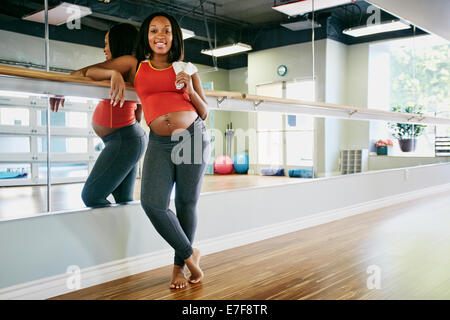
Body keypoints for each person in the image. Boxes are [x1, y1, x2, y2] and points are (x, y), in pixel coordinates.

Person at [81, 12, 210, 289]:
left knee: (185, 203)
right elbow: (88, 71)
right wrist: (114, 72)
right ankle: (190, 253)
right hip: (159, 142)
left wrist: (190, 90)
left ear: (174, 37)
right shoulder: (134, 65)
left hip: (191, 137)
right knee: (152, 203)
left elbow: (205, 111)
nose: (159, 36)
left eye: (166, 31)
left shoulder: (186, 67)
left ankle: (178, 269)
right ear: (146, 36)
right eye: (153, 30)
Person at [51, 23, 148, 207]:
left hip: (125, 140)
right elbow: (87, 72)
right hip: (128, 139)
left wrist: (113, 73)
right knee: (124, 200)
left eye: (107, 43)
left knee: (91, 196)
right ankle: (121, 236)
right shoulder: (129, 65)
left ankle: (113, 234)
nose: (104, 49)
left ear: (118, 42)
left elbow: (83, 71)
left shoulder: (129, 61)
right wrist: (113, 73)